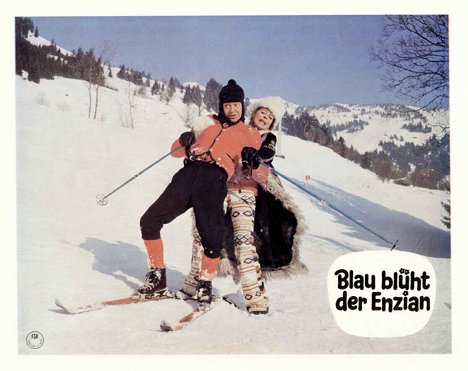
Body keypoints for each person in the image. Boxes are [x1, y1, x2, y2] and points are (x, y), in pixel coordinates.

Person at [137, 80, 263, 306]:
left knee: (211, 237)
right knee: (149, 221)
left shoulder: (250, 134)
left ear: (242, 106)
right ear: (221, 106)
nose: (231, 110)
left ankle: (204, 284)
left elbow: (258, 170)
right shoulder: (206, 123)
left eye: (236, 105)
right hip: (188, 174)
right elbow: (175, 152)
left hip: (213, 179)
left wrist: (253, 159)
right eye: (227, 105)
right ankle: (157, 277)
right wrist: (183, 140)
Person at [178, 97, 308, 315]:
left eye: (269, 116)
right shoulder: (239, 129)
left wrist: (256, 157)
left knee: (243, 242)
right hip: (222, 187)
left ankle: (256, 299)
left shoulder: (268, 137)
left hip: (247, 192)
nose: (265, 118)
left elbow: (267, 153)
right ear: (253, 113)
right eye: (262, 113)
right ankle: (193, 284)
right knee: (203, 234)